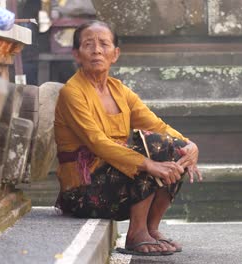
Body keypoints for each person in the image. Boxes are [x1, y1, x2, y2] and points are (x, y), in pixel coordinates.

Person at [53, 20, 202, 256]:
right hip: (82, 191)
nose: (97, 50)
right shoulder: (72, 92)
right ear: (76, 54)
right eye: (88, 45)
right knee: (151, 149)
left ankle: (151, 229)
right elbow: (97, 143)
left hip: (114, 181)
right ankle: (136, 233)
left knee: (175, 148)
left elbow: (157, 125)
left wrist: (190, 145)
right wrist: (148, 163)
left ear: (115, 54)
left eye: (104, 44)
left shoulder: (120, 90)